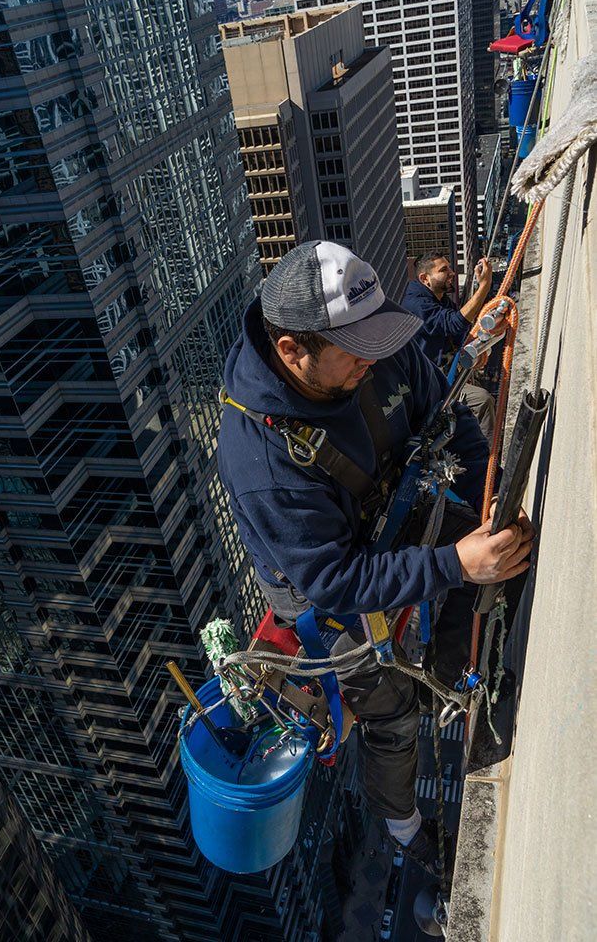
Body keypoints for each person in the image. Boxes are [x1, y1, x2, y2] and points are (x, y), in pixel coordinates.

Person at [218, 241, 533, 875]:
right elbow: (335, 579)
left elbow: (444, 421)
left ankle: (457, 663)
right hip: (327, 592)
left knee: (489, 547)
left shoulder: (375, 354)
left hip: (393, 502)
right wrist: (456, 564)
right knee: (389, 711)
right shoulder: (262, 455)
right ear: (291, 352)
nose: (376, 358)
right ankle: (402, 828)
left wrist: (485, 505)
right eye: (358, 350)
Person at [402, 252, 496, 443]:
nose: (452, 273)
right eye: (444, 270)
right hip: (431, 386)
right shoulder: (416, 305)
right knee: (482, 401)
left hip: (448, 373)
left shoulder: (440, 299)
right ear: (424, 278)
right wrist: (484, 287)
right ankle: (487, 462)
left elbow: (459, 332)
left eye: (450, 268)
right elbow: (454, 323)